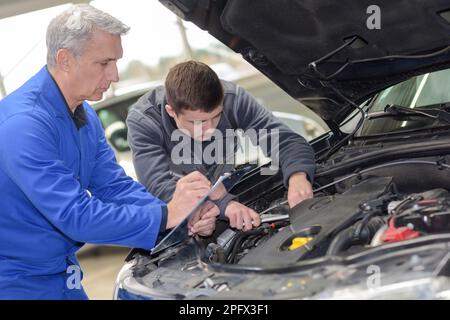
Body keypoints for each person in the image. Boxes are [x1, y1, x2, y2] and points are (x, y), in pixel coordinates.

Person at [0, 5, 216, 300]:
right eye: (104, 63)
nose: (114, 75)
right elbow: (75, 215)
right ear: (65, 59)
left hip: (61, 271)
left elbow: (113, 185)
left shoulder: (83, 114)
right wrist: (166, 215)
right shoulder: (22, 125)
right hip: (14, 281)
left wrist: (179, 219)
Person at [127, 61, 316, 232]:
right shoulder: (144, 120)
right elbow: (157, 186)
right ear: (171, 111)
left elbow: (284, 140)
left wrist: (298, 176)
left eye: (216, 117)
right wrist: (224, 205)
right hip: (179, 217)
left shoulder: (233, 99)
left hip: (223, 192)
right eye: (196, 122)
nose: (209, 129)